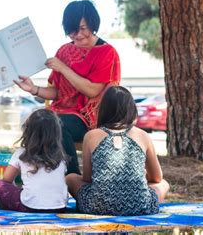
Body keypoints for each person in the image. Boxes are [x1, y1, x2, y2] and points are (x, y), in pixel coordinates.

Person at [15, 0, 121, 174]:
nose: (78, 35)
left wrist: (63, 68)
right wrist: (34, 89)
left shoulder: (106, 52)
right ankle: (31, 180)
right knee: (33, 124)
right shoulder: (64, 51)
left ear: (93, 24)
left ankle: (72, 179)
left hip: (91, 118)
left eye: (83, 28)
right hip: (61, 113)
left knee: (57, 125)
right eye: (72, 30)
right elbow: (57, 93)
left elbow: (92, 90)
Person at [66, 86, 169, 216]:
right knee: (164, 184)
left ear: (103, 110)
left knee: (70, 178)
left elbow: (87, 178)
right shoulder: (142, 135)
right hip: (140, 206)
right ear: (132, 110)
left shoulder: (91, 136)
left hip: (97, 207)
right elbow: (157, 177)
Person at [0, 109, 68, 212]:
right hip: (59, 207)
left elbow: (6, 180)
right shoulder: (60, 155)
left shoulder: (22, 153)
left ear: (28, 131)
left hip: (29, 206)